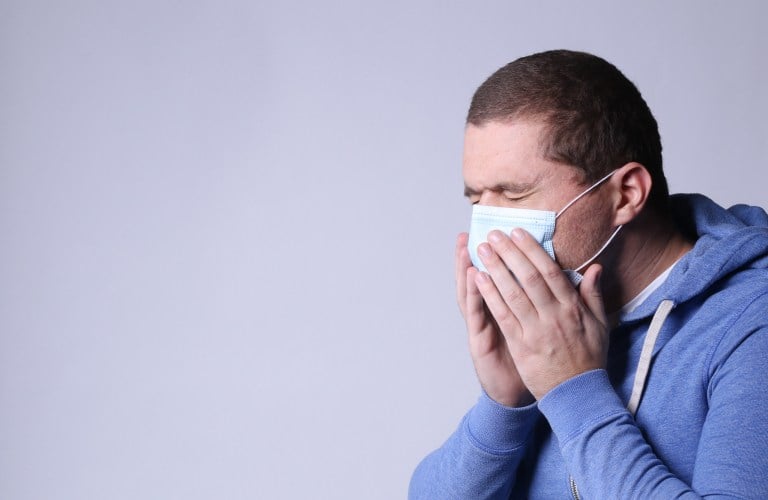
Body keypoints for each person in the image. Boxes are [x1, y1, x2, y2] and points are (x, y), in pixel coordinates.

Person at [409, 49, 768, 499]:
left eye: (515, 194)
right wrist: (505, 405)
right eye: (477, 199)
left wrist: (572, 390)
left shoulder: (753, 319)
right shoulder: (556, 317)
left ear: (626, 194)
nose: (489, 226)